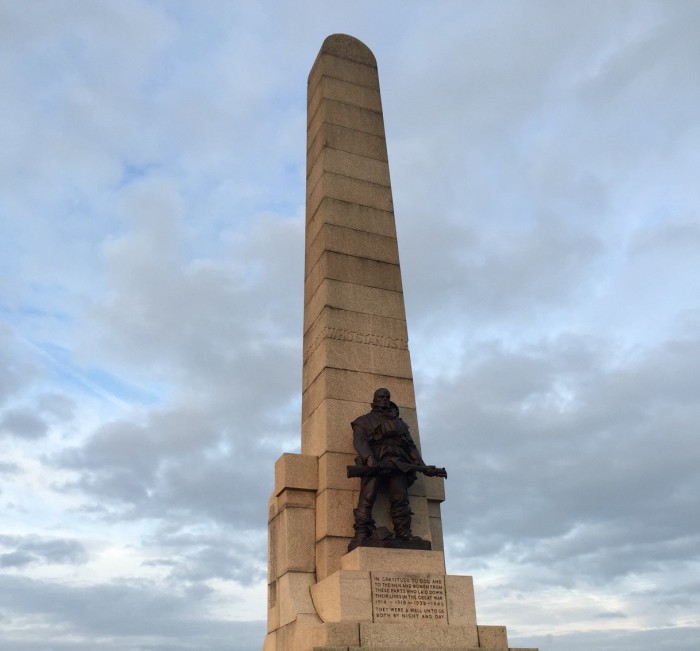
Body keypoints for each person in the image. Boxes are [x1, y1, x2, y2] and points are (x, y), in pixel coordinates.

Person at [349, 388, 427, 550]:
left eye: (387, 397)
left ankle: (403, 532)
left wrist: (421, 464)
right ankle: (362, 532)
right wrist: (370, 459)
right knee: (368, 497)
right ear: (375, 399)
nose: (384, 399)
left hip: (399, 462)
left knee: (400, 498)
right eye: (381, 396)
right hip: (377, 461)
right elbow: (360, 441)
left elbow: (410, 446)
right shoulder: (364, 420)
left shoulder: (400, 424)